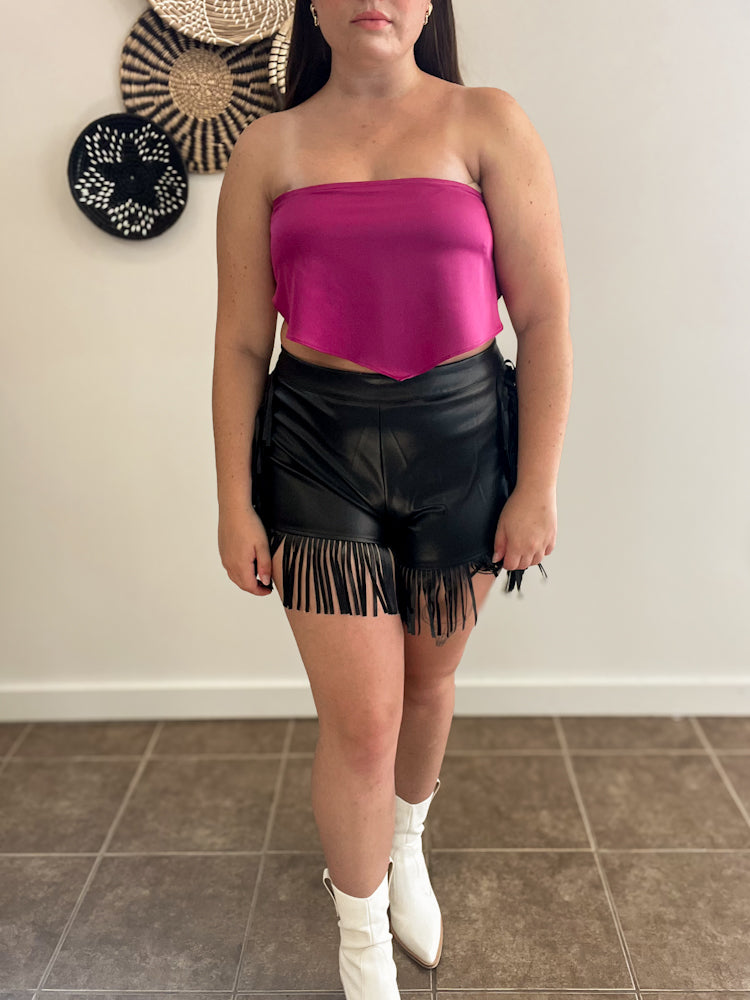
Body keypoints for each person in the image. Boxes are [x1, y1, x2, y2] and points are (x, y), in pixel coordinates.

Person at [212, 1, 572, 996]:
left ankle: (404, 841)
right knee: (362, 721)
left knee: (425, 686)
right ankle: (362, 940)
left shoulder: (488, 120)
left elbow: (544, 318)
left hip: (465, 449)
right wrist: (234, 501)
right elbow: (240, 343)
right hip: (315, 452)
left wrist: (537, 485)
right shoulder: (268, 147)